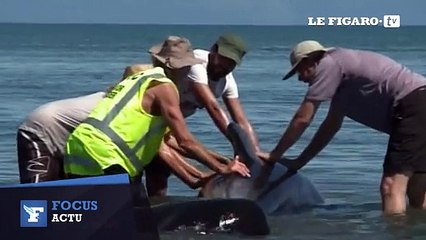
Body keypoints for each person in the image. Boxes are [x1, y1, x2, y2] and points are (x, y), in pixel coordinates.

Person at [258, 40, 426, 215]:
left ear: (310, 61)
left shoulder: (327, 64)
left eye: (299, 71)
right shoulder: (343, 79)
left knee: (391, 185)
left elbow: (302, 119)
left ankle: (396, 234)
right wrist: (299, 162)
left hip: (413, 105)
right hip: (420, 103)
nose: (300, 78)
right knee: (417, 191)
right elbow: (330, 127)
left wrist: (274, 154)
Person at [63, 36, 251, 184]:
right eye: (187, 66)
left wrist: (219, 163)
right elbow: (186, 142)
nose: (189, 72)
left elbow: (171, 141)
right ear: (175, 67)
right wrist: (223, 169)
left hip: (79, 146)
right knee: (117, 220)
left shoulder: (141, 77)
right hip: (104, 154)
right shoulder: (165, 87)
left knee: (84, 217)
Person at [143, 33, 262, 195]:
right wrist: (234, 146)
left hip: (166, 128)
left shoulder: (227, 81)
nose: (224, 67)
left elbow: (241, 120)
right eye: (223, 60)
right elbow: (212, 106)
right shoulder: (194, 63)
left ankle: (155, 207)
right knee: (162, 160)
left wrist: (253, 154)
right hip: (147, 121)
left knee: (161, 175)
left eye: (231, 64)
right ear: (213, 50)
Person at [16, 92, 105, 183]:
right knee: (37, 192)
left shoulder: (111, 100)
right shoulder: (110, 108)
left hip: (65, 138)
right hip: (40, 130)